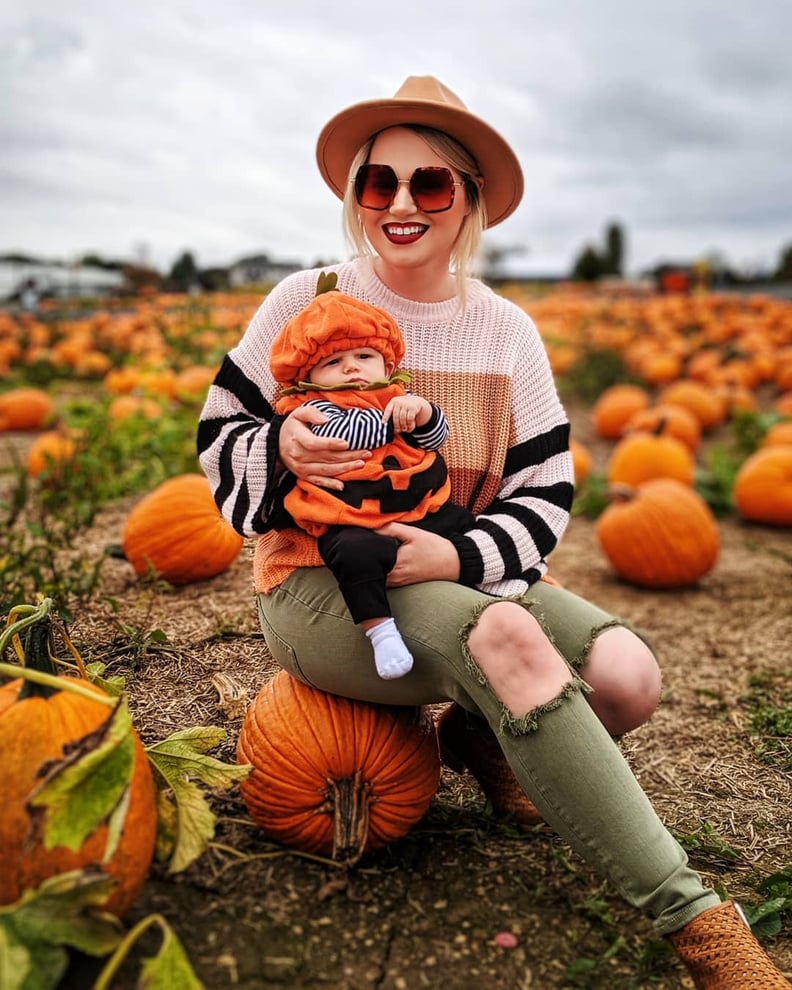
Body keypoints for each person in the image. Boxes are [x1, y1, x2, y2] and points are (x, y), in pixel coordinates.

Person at [198, 76, 789, 987]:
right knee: (508, 634)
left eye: (430, 184)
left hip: (458, 575)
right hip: (325, 590)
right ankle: (699, 924)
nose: (400, 204)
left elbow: (548, 490)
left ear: (469, 200)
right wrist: (279, 445)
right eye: (377, 182)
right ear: (356, 197)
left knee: (628, 678)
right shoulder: (303, 301)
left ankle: (479, 738)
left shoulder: (505, 333)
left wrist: (462, 553)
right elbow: (216, 444)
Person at [269, 278, 474, 679]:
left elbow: (435, 439)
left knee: (464, 526)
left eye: (364, 355)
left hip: (418, 510)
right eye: (332, 362)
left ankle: (506, 579)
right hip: (351, 518)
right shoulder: (311, 410)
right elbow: (351, 435)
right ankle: (381, 632)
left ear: (387, 364)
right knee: (350, 556)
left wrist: (425, 413)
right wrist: (394, 414)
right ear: (307, 377)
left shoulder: (400, 397)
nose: (351, 367)